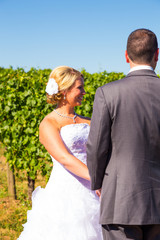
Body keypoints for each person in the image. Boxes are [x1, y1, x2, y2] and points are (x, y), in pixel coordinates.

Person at [86, 28, 160, 240]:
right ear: (157, 54)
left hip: (120, 199)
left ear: (126, 56)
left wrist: (98, 182)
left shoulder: (107, 93)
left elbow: (96, 146)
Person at [18, 66, 102, 240]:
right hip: (66, 194)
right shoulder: (49, 123)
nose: (84, 92)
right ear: (64, 91)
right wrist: (97, 179)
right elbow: (65, 159)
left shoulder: (88, 121)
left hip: (95, 192)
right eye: (80, 88)